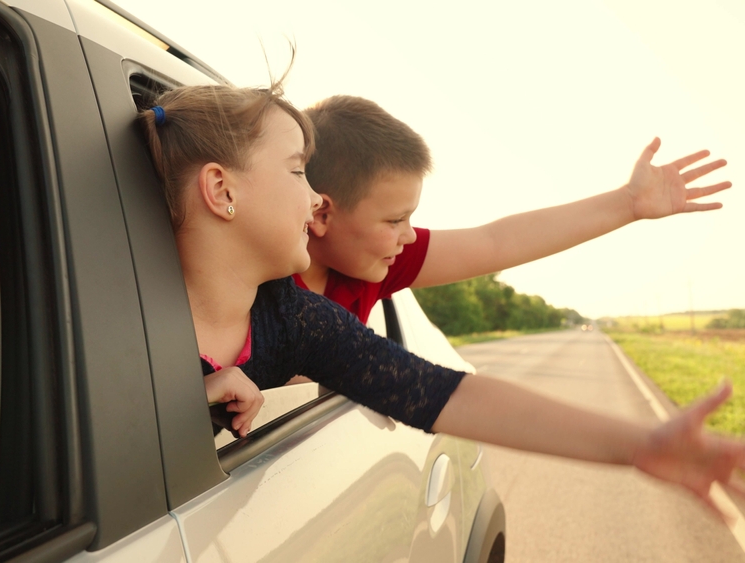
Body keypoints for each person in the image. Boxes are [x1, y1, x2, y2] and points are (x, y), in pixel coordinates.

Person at [138, 78, 744, 519]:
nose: (313, 199)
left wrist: (639, 443)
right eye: (299, 173)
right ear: (220, 190)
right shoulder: (120, 317)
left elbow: (446, 385)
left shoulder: (298, 320)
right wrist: (177, 406)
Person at [296, 95, 731, 324]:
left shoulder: (371, 261)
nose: (409, 235)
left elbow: (497, 241)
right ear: (320, 215)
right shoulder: (259, 273)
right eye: (395, 220)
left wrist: (628, 203)